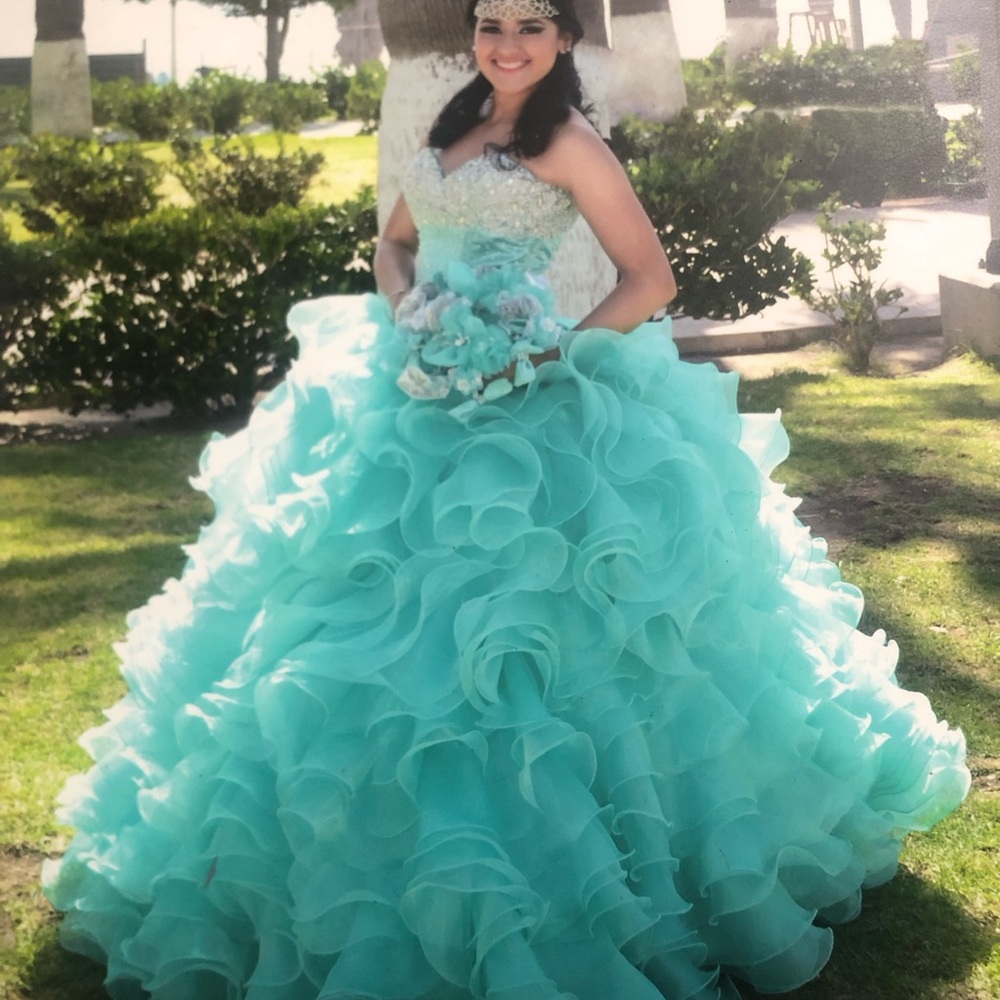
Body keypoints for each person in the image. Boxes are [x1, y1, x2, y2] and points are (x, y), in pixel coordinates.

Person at [43, 1, 970, 998]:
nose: (507, 40)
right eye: (491, 22)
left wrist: (549, 350)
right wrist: (415, 306)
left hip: (538, 412)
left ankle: (583, 874)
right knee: (342, 623)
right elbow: (394, 242)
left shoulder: (570, 142)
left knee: (535, 640)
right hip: (413, 397)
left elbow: (647, 278)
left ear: (563, 39)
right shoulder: (449, 124)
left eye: (531, 23)